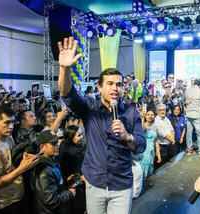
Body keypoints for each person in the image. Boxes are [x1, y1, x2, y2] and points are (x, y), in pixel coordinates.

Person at [58, 37, 146, 214]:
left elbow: (141, 146)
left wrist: (126, 136)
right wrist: (64, 68)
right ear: (99, 87)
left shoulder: (131, 113)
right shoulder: (89, 107)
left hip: (121, 185)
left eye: (119, 85)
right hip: (95, 183)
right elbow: (67, 94)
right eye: (110, 84)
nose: (115, 88)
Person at [0, 105, 40, 213]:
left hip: (15, 197)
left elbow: (10, 163)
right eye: (7, 122)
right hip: (3, 204)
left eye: (12, 122)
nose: (11, 126)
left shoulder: (7, 136)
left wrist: (23, 159)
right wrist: (22, 168)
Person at [30, 130, 76, 214]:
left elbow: (53, 184)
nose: (57, 146)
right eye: (53, 144)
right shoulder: (44, 170)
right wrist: (69, 193)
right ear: (42, 147)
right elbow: (50, 200)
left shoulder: (51, 161)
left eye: (57, 143)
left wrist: (65, 180)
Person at [58, 125, 86, 214]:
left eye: (81, 135)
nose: (81, 137)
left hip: (65, 185)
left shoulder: (63, 145)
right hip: (75, 188)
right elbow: (80, 174)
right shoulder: (75, 153)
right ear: (71, 137)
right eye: (78, 135)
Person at [183, 78, 200, 157]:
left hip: (189, 114)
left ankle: (189, 149)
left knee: (189, 132)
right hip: (197, 115)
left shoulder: (187, 91)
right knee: (199, 132)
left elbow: (184, 101)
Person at [138, 109, 161, 179]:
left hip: (151, 152)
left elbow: (156, 141)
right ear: (145, 116)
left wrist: (158, 154)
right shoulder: (143, 125)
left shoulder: (155, 126)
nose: (150, 116)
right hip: (144, 151)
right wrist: (141, 118)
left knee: (150, 169)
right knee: (142, 170)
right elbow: (142, 130)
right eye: (148, 114)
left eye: (152, 115)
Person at [154, 104, 175, 169]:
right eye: (160, 110)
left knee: (168, 162)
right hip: (162, 145)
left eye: (163, 110)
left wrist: (172, 138)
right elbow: (161, 133)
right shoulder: (156, 120)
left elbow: (171, 129)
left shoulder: (166, 119)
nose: (162, 111)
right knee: (162, 164)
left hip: (169, 144)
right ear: (157, 111)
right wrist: (171, 139)